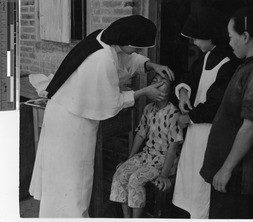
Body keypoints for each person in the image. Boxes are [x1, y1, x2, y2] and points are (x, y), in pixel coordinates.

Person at [29, 15, 175, 218]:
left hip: (68, 112)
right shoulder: (101, 58)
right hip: (71, 123)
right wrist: (145, 92)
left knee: (69, 181)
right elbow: (112, 103)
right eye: (137, 48)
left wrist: (150, 65)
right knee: (74, 181)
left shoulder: (104, 38)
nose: (138, 53)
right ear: (126, 40)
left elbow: (126, 56)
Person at [200, 6, 253, 219]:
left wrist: (226, 169)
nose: (229, 42)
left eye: (231, 36)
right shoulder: (249, 66)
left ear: (245, 36)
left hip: (239, 177)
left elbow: (250, 127)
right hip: (232, 175)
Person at [171, 7, 239, 219]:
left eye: (197, 39)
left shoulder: (229, 62)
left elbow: (215, 104)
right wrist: (183, 93)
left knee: (202, 187)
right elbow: (188, 78)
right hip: (194, 132)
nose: (194, 43)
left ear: (210, 36)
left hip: (211, 133)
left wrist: (186, 117)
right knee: (189, 180)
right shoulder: (205, 57)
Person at [109, 73, 183, 218]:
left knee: (135, 179)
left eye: (163, 82)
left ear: (171, 89)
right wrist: (129, 159)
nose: (157, 84)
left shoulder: (173, 112)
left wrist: (164, 175)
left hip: (164, 159)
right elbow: (141, 134)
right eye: (154, 81)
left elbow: (173, 147)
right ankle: (126, 218)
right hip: (147, 155)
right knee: (120, 173)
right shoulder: (148, 108)